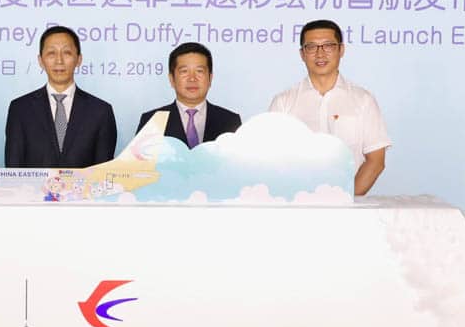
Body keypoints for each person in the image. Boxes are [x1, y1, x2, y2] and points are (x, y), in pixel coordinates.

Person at [268, 19, 391, 195]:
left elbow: (376, 161)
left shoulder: (363, 100)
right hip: (296, 204)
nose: (320, 54)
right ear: (302, 54)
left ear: (341, 50)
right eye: (311, 47)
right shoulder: (283, 102)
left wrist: (347, 200)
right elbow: (272, 161)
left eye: (328, 46)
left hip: (348, 205)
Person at [4, 25, 116, 167]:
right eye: (51, 53)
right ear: (40, 60)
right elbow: (14, 168)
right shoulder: (20, 109)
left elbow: (104, 171)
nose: (59, 61)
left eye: (67, 53)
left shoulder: (100, 111)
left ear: (79, 59)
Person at [138, 42, 241, 148]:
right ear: (172, 79)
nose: (192, 78)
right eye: (184, 71)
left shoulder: (230, 120)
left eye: (199, 71)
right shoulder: (152, 121)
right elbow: (140, 159)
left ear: (210, 78)